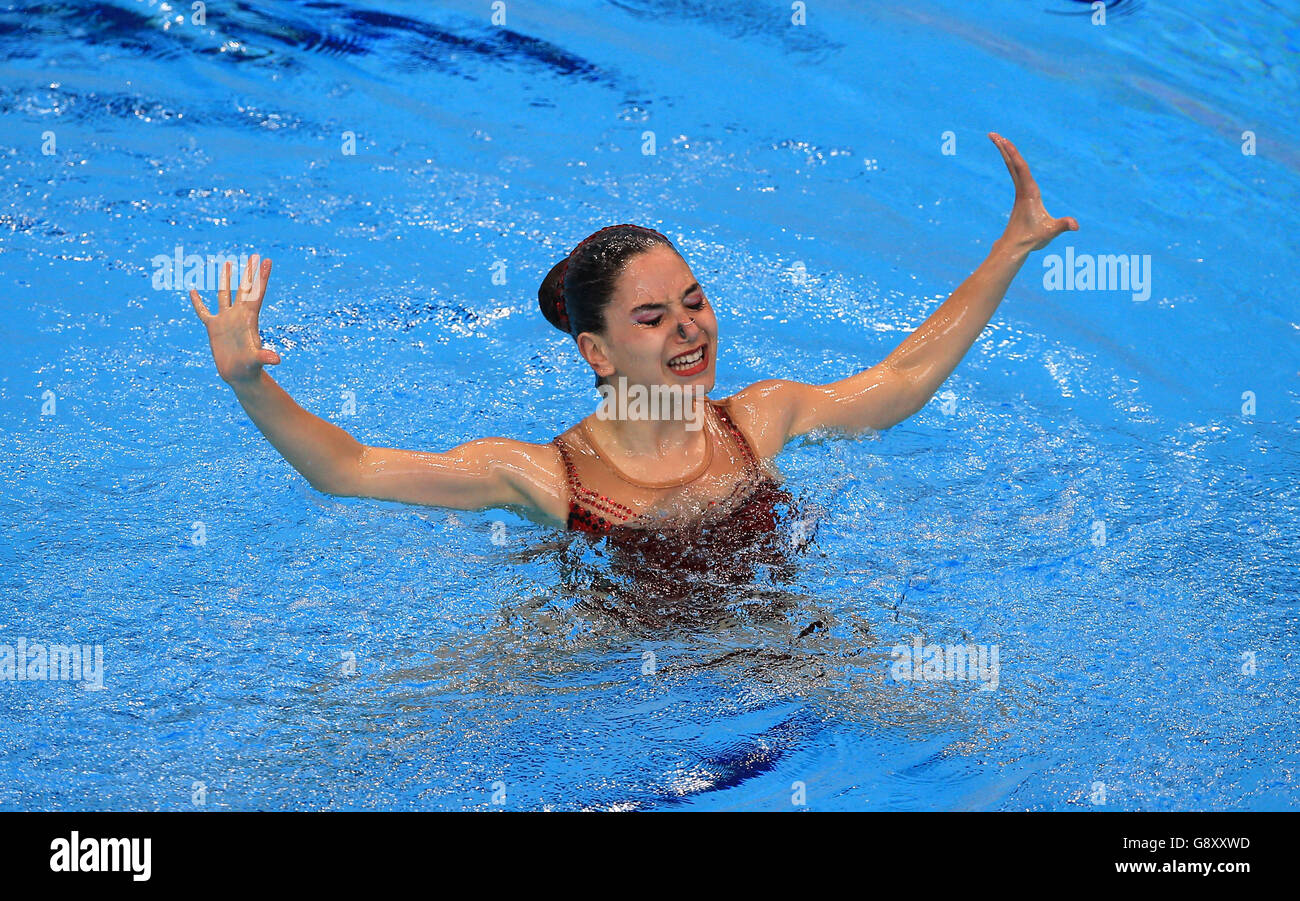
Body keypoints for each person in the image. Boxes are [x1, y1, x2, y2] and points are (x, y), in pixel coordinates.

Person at [189, 134, 1077, 538]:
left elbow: (905, 375)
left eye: (695, 301)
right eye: (653, 317)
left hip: (773, 660)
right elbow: (348, 470)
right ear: (598, 352)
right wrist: (249, 383)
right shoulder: (546, 477)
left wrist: (1011, 248)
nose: (690, 329)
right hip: (606, 681)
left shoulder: (758, 420)